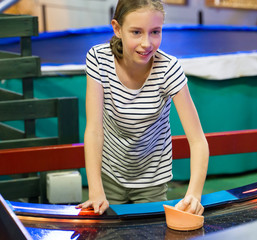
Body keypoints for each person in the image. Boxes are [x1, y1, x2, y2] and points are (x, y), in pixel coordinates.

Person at [76, 0, 209, 216]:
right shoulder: (99, 59)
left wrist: (194, 194)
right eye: (136, 32)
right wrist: (95, 188)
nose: (146, 43)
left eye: (155, 32)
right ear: (117, 29)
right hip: (109, 173)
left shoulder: (168, 69)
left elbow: (197, 140)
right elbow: (93, 129)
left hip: (152, 180)